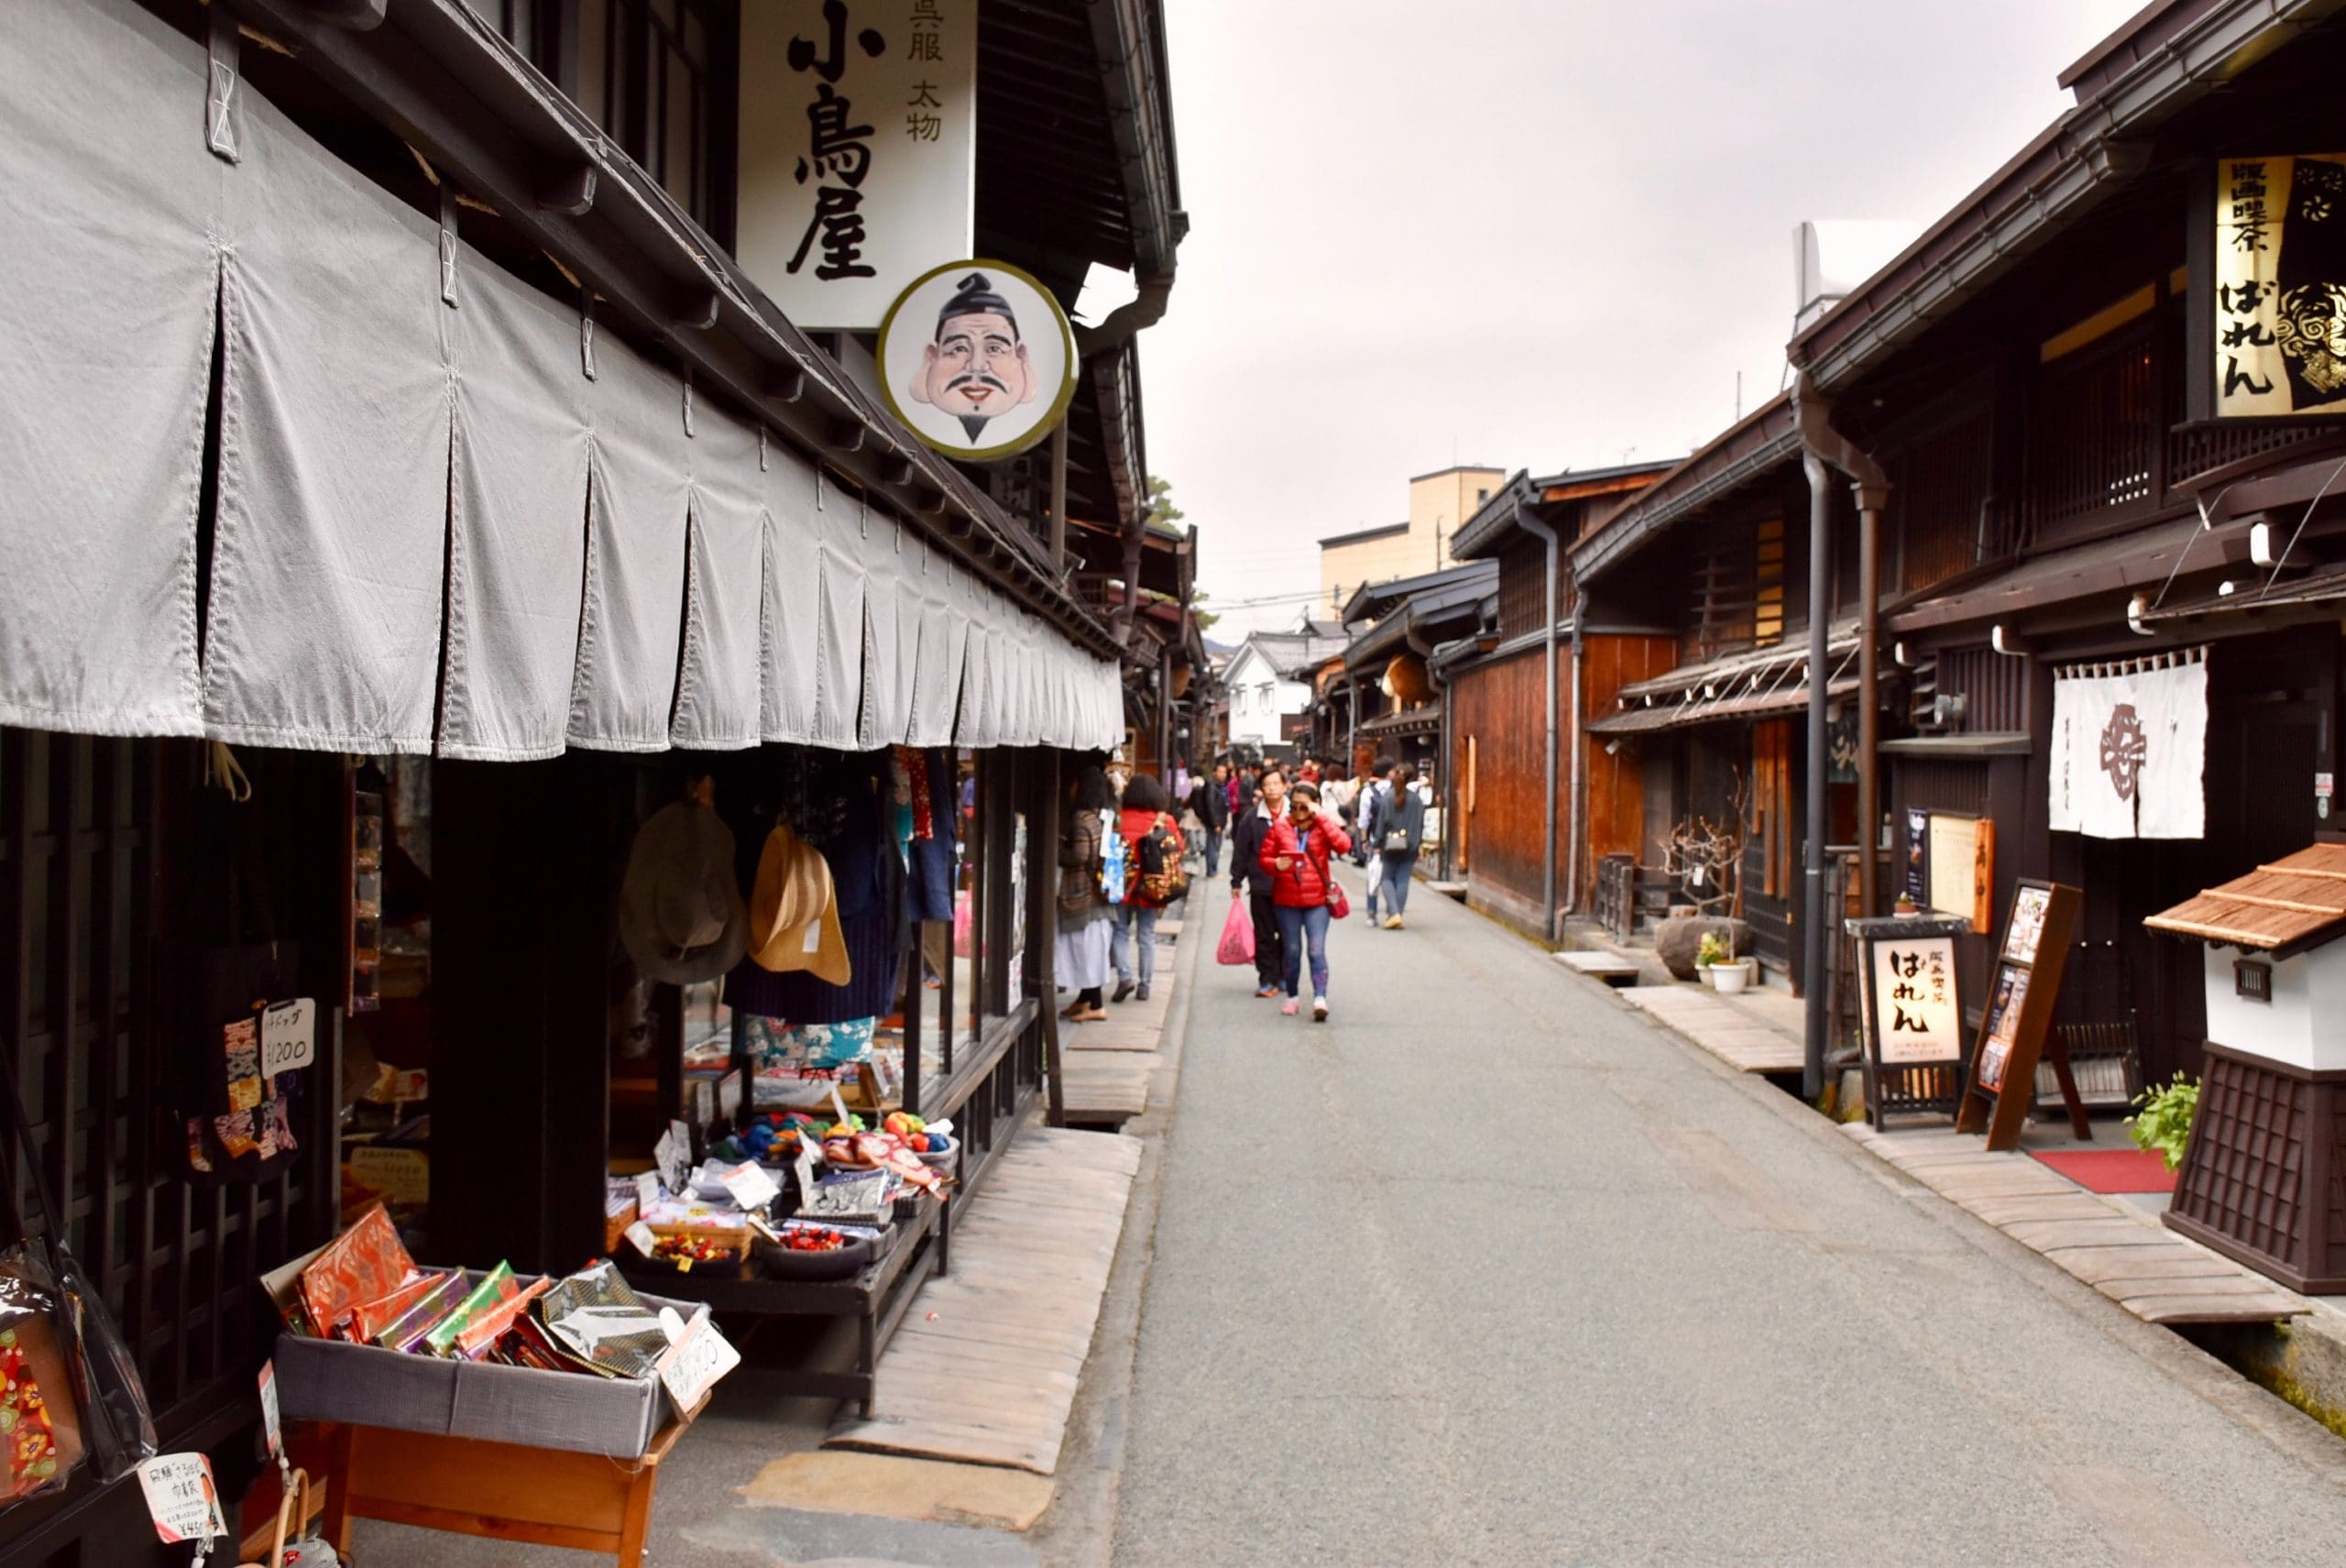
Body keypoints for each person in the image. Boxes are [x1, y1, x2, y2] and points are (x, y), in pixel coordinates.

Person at [1260, 779, 1351, 1020]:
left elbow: (1344, 846)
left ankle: (1320, 997)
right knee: (1291, 950)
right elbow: (1265, 857)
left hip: (1317, 901)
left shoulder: (1322, 826)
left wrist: (1321, 817)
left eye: (1305, 806)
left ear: (1316, 804)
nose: (1299, 812)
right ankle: (1292, 996)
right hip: (1287, 899)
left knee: (1315, 949)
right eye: (1295, 806)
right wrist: (1275, 865)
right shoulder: (1280, 827)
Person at [1111, 773, 1184, 1003]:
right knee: (1146, 934)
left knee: (1120, 932)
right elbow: (1178, 849)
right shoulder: (1165, 820)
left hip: (1122, 884)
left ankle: (1125, 977)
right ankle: (1145, 985)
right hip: (1153, 885)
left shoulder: (1118, 818)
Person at [1055, 764, 1116, 1023]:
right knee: (1090, 950)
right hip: (1100, 892)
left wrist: (1058, 849)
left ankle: (1096, 1004)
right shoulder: (1104, 815)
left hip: (1083, 893)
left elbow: (1079, 856)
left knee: (1084, 950)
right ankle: (1085, 1000)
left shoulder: (1082, 819)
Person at [1229, 765, 1289, 998]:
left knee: (1287, 933)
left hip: (1290, 886)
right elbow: (1241, 851)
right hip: (1262, 884)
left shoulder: (1296, 815)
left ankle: (1284, 973)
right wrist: (1236, 880)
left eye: (1276, 783)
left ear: (1285, 786)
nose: (1272, 788)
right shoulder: (1252, 819)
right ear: (1261, 789)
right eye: (1267, 784)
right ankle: (1267, 978)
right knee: (1264, 934)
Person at [1376, 762, 1429, 929]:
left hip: (1390, 844)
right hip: (1410, 845)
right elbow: (1420, 824)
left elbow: (1381, 823)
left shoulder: (1387, 797)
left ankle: (1394, 913)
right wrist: (1418, 844)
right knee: (1403, 880)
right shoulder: (1417, 800)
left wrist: (1377, 842)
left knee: (1386, 879)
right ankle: (1397, 914)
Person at [1358, 767, 1393, 918]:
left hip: (1374, 839)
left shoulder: (1369, 792)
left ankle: (1371, 911)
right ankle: (1393, 910)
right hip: (1395, 840)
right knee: (1391, 876)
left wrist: (1364, 839)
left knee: (1373, 875)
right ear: (1389, 772)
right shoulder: (1397, 790)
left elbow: (1364, 818)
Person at [1189, 762, 1232, 878]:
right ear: (1214, 772)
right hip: (1215, 821)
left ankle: (1213, 869)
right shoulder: (1212, 787)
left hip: (1220, 820)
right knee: (1213, 845)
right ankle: (1212, 871)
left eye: (1224, 772)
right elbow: (1211, 806)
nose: (1222, 774)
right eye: (1220, 771)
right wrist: (1215, 823)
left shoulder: (1220, 786)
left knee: (1215, 845)